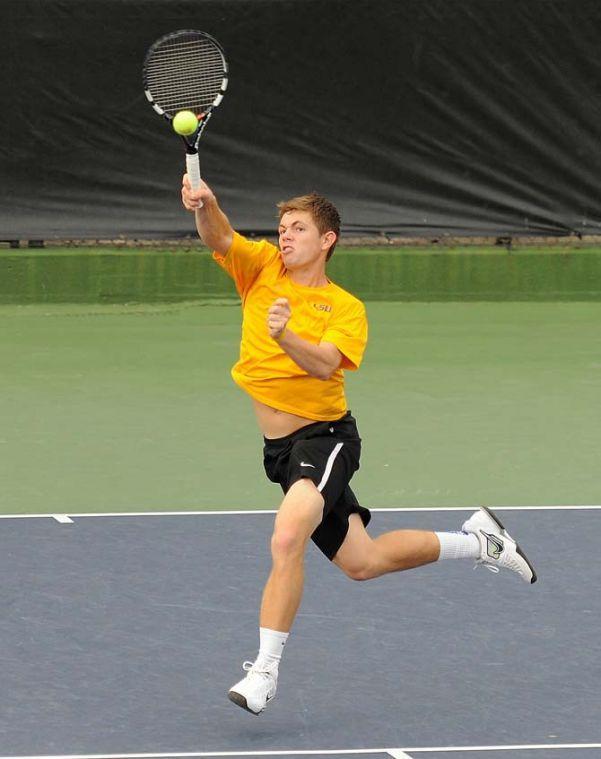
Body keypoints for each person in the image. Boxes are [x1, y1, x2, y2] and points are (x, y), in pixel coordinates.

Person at [181, 176, 537, 716]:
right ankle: (479, 541)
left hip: (324, 439)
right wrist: (205, 205)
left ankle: (265, 672)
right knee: (362, 562)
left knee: (287, 534)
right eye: (282, 228)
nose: (285, 237)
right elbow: (220, 238)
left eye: (298, 229)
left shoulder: (345, 308)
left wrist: (285, 336)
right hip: (280, 450)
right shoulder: (259, 270)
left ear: (328, 239)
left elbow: (324, 363)